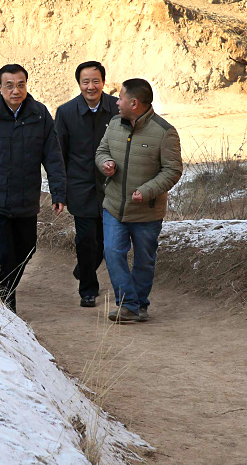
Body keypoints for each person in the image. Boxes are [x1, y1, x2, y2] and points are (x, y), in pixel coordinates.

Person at [0, 64, 66, 313]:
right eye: (9, 85)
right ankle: (7, 305)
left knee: (27, 249)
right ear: (0, 87)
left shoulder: (39, 114)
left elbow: (53, 156)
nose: (16, 90)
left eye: (21, 85)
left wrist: (59, 191)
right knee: (4, 254)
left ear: (26, 85)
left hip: (26, 198)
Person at [95, 78, 182, 323]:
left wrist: (147, 190)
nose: (116, 101)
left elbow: (172, 170)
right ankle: (129, 304)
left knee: (144, 261)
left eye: (120, 97)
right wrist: (105, 164)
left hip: (147, 211)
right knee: (112, 252)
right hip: (113, 206)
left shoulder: (165, 132)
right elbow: (101, 151)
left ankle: (139, 304)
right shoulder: (113, 124)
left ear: (134, 103)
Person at [55, 61, 119, 308]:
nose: (91, 86)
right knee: (85, 239)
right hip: (80, 186)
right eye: (85, 81)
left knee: (106, 241)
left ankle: (84, 268)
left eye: (95, 81)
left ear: (103, 82)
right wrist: (61, 189)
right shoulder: (66, 112)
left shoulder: (116, 107)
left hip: (111, 185)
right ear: (78, 83)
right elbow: (59, 154)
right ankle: (88, 290)